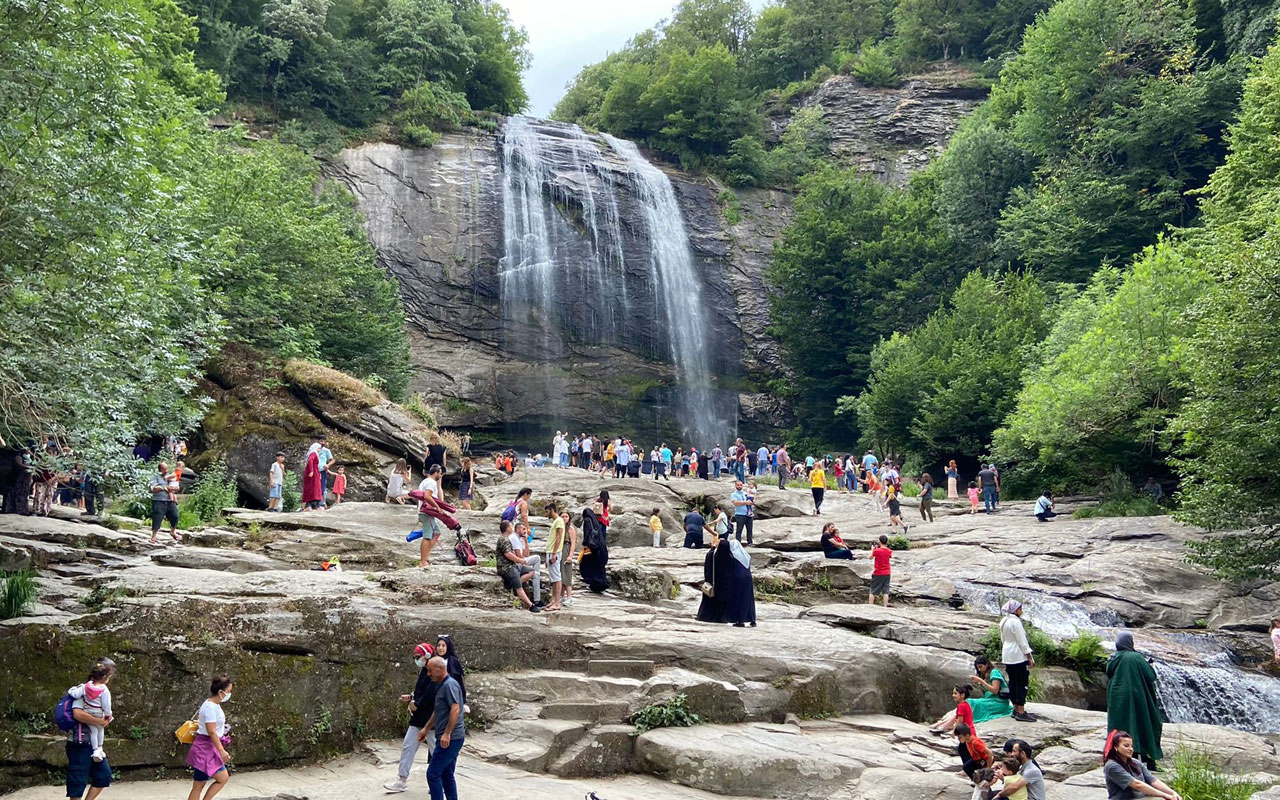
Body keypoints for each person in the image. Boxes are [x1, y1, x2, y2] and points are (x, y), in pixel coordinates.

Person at [1106, 632, 1164, 768]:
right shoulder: (1136, 657)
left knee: (1120, 725)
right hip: (1136, 697)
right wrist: (1148, 665)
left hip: (1116, 698)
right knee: (1143, 724)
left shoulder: (1113, 657)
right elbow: (1150, 676)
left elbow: (1109, 672)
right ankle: (1145, 756)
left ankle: (1118, 755)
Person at [384, 643, 435, 793]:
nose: (416, 659)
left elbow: (432, 694)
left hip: (431, 719)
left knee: (436, 750)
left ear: (426, 655)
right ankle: (401, 780)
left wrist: (417, 703)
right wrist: (412, 697)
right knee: (408, 746)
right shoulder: (423, 671)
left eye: (418, 656)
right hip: (418, 717)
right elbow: (421, 692)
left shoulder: (435, 672)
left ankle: (441, 781)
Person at [65, 661, 114, 800]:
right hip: (79, 742)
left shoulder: (99, 690)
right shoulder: (84, 690)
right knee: (77, 780)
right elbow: (77, 714)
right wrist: (100, 721)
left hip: (92, 746)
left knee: (103, 775)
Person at [419, 656, 465, 800]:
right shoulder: (440, 684)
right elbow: (438, 710)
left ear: (440, 669)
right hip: (449, 737)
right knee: (446, 774)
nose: (428, 674)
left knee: (433, 773)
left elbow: (455, 709)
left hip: (452, 738)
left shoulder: (449, 685)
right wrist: (426, 728)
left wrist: (447, 734)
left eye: (430, 670)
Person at [186, 675, 233, 800]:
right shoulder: (210, 707)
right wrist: (221, 750)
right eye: (228, 691)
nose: (230, 694)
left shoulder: (213, 705)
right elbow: (211, 731)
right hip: (205, 749)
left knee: (203, 783)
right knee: (202, 784)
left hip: (207, 748)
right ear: (221, 692)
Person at [696, 530, 756, 627]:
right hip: (748, 580)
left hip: (738, 581)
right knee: (749, 601)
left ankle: (740, 620)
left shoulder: (732, 558)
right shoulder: (744, 556)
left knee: (738, 601)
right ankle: (752, 620)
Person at [1102, 730, 1183, 800]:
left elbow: (1153, 780)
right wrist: (1165, 795)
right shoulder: (1112, 766)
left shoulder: (1136, 762)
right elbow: (1137, 785)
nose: (1131, 749)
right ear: (1116, 747)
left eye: (1131, 746)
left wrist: (1173, 793)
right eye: (1126, 746)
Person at [68, 662, 114, 763]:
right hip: (98, 714)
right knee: (100, 730)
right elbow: (107, 705)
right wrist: (107, 716)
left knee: (93, 731)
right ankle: (100, 748)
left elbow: (75, 694)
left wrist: (71, 690)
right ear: (105, 678)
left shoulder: (85, 687)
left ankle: (95, 750)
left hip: (89, 712)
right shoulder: (104, 690)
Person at [1000, 601, 1036, 722]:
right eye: (1020, 609)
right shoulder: (1016, 622)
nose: (1022, 611)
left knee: (1013, 682)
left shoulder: (1003, 621)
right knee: (1022, 682)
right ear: (1016, 610)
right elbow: (1022, 641)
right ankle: (1021, 710)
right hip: (1017, 655)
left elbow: (1003, 639)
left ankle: (1015, 709)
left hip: (1007, 655)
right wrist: (1029, 656)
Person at [495, 520, 542, 612]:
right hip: (506, 568)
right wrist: (520, 560)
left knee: (532, 571)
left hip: (514, 565)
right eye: (510, 526)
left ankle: (515, 583)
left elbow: (525, 554)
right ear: (508, 528)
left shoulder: (508, 539)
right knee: (519, 588)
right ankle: (531, 605)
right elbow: (508, 554)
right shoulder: (503, 539)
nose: (512, 527)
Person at [416, 465, 449, 565]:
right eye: (440, 473)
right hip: (427, 513)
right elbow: (427, 496)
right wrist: (437, 507)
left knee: (436, 533)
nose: (440, 475)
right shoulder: (431, 482)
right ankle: (422, 561)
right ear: (436, 473)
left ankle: (425, 557)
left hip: (424, 511)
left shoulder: (424, 481)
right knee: (427, 536)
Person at [969, 655, 1013, 724]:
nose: (979, 670)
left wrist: (981, 681)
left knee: (971, 702)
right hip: (990, 700)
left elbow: (995, 690)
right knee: (968, 702)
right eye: (978, 668)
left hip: (999, 702)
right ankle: (949, 723)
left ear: (986, 665)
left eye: (980, 667)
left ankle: (949, 724)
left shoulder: (994, 672)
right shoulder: (984, 674)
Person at [578, 508, 610, 593]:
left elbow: (587, 534)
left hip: (592, 548)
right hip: (599, 548)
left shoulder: (587, 520)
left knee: (588, 567)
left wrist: (585, 544)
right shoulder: (594, 521)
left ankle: (595, 584)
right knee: (598, 567)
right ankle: (600, 585)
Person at [149, 461, 181, 544]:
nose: (166, 471)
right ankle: (153, 536)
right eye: (163, 469)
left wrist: (173, 488)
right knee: (157, 518)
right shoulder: (155, 477)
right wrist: (164, 488)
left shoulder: (171, 476)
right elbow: (152, 489)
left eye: (166, 469)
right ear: (159, 470)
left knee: (175, 516)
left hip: (170, 501)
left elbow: (177, 487)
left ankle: (173, 531)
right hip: (159, 500)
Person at [434, 635, 466, 707]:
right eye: (438, 645)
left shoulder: (453, 661)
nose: (440, 648)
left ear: (448, 647)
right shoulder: (434, 660)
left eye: (443, 645)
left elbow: (459, 682)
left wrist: (463, 702)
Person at [545, 502, 566, 610]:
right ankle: (553, 600)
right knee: (553, 578)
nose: (546, 514)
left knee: (556, 578)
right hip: (551, 551)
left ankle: (557, 603)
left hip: (555, 552)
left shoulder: (559, 521)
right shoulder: (556, 521)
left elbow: (558, 536)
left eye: (547, 511)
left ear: (552, 510)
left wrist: (553, 553)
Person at [560, 511, 578, 607]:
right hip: (560, 550)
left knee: (567, 573)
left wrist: (570, 555)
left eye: (566, 516)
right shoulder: (559, 528)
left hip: (566, 549)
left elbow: (573, 542)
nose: (564, 518)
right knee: (560, 573)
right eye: (562, 516)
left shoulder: (570, 529)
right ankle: (562, 596)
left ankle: (569, 597)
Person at [869, 534, 892, 606]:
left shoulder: (876, 551)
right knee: (886, 590)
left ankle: (870, 605)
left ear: (880, 541)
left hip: (878, 572)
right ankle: (885, 605)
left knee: (873, 590)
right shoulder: (889, 551)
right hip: (887, 572)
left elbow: (871, 557)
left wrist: (872, 550)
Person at [730, 479, 754, 545]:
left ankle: (750, 542)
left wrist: (752, 502)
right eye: (738, 485)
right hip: (740, 514)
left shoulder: (745, 493)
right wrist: (745, 502)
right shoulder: (733, 494)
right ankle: (738, 543)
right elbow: (735, 503)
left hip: (748, 514)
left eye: (740, 485)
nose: (739, 486)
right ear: (735, 486)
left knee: (749, 529)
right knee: (739, 530)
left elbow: (750, 501)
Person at [302, 443, 323, 511]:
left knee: (313, 488)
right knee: (314, 488)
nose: (320, 449)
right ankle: (316, 505)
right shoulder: (313, 453)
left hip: (314, 471)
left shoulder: (314, 453)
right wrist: (311, 471)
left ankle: (310, 505)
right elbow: (310, 460)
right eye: (319, 448)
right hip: (313, 472)